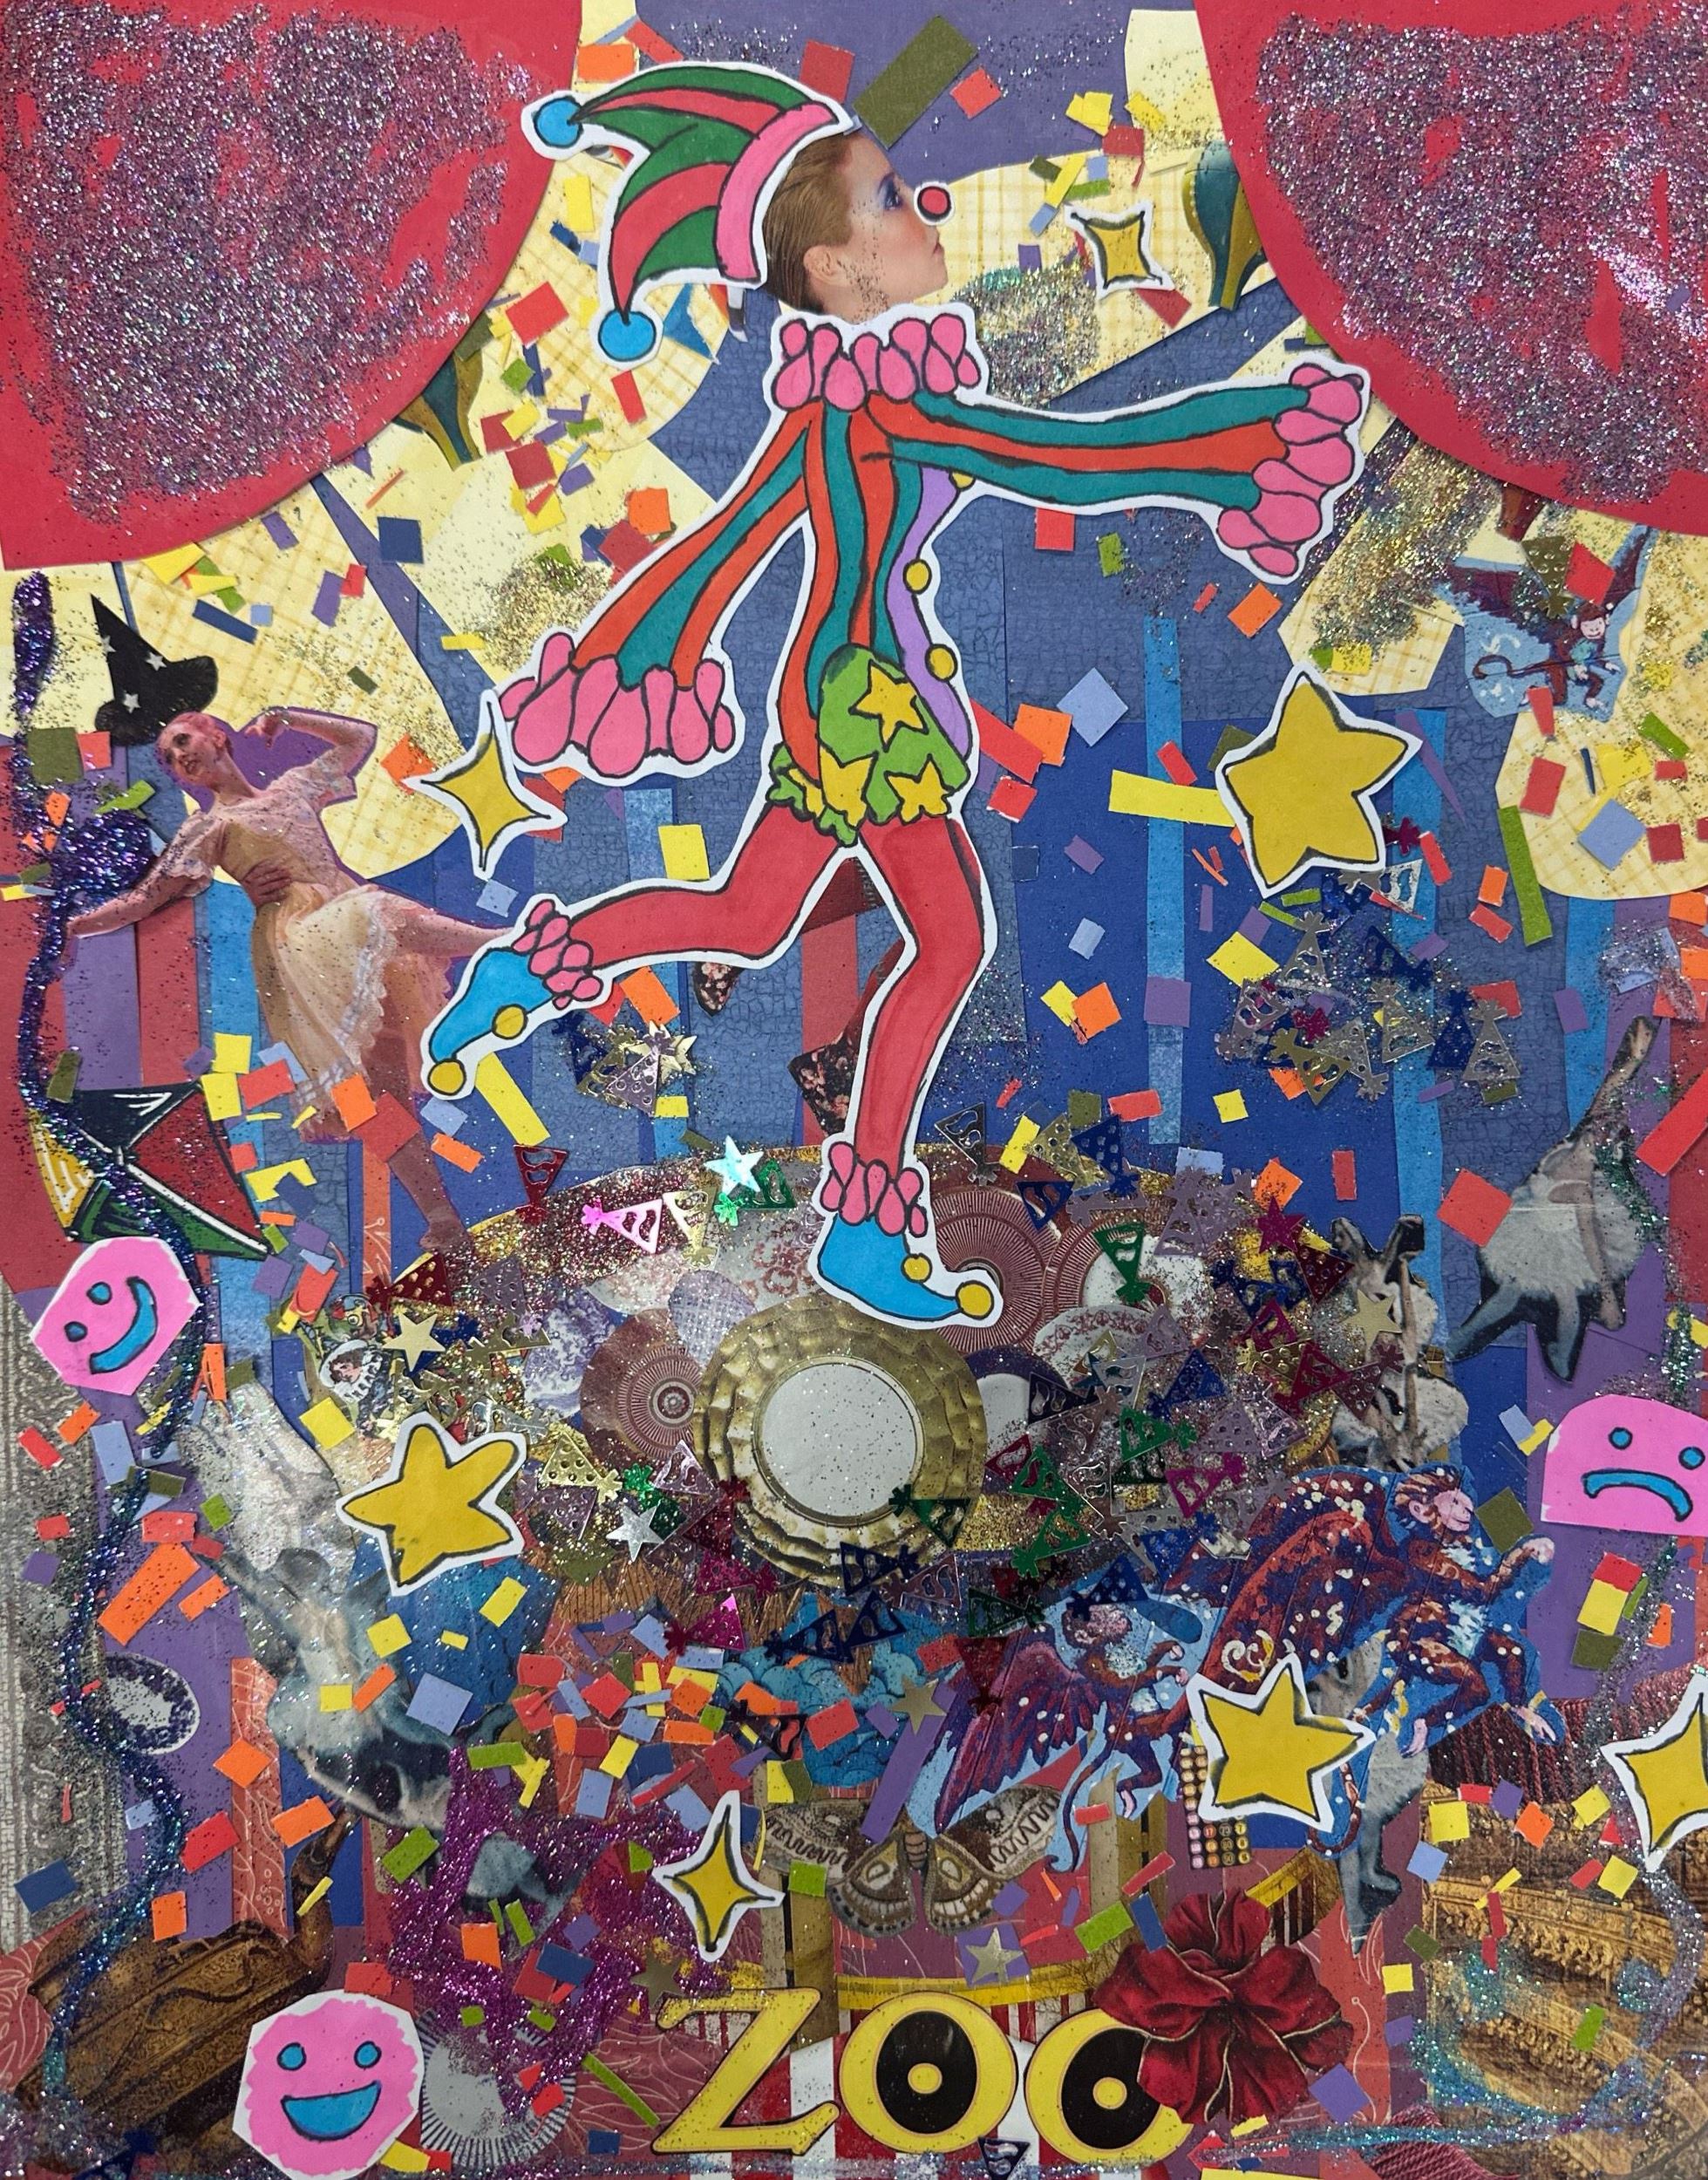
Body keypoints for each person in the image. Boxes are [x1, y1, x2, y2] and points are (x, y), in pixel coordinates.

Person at [421, 62, 1367, 1328]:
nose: (923, 207)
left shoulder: (838, 396)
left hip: (842, 703)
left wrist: (652, 650)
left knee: (748, 917)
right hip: (870, 716)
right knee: (949, 943)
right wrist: (1228, 450)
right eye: (886, 197)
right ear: (832, 268)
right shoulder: (873, 403)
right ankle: (870, 1223)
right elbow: (1055, 462)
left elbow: (735, 545)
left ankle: (528, 974)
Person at [64, 707, 499, 1254]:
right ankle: (500, 943)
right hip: (300, 947)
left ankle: (442, 1219)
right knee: (368, 1084)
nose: (179, 757)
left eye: (183, 740)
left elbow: (360, 737)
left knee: (384, 1079)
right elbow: (143, 899)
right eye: (171, 758)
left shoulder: (293, 789)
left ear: (215, 735)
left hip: (345, 933)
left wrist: (287, 718)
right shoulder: (207, 827)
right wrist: (74, 926)